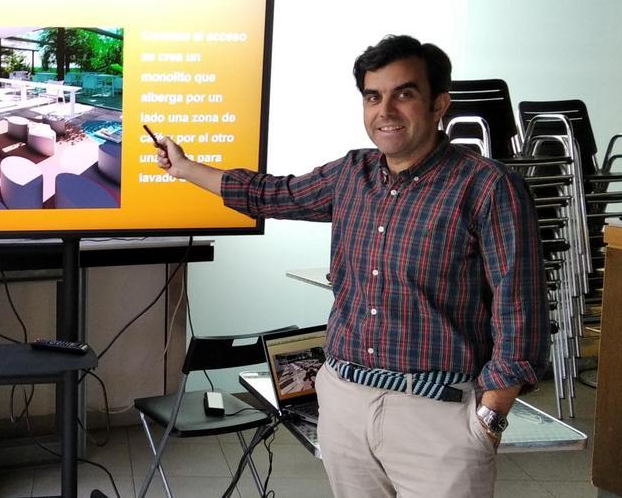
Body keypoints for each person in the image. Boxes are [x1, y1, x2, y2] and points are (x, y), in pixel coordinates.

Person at [154, 35, 548, 497]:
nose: (386, 111)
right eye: (373, 97)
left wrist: (491, 414)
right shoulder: (351, 175)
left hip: (437, 414)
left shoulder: (487, 187)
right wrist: (184, 168)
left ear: (439, 103)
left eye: (405, 93)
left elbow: (520, 309)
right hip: (345, 400)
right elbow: (269, 193)